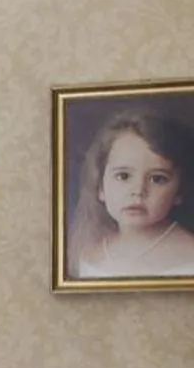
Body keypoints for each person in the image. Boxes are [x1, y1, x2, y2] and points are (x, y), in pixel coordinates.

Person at [68, 110, 194, 280]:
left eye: (157, 179)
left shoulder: (189, 256)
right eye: (123, 176)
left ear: (179, 191)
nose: (138, 191)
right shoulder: (89, 253)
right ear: (100, 187)